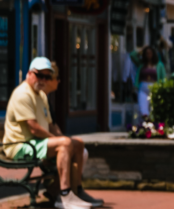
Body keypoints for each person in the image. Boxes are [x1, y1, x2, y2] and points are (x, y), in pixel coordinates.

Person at [3, 58, 103, 209]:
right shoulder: (22, 94)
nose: (43, 80)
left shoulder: (41, 95)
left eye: (47, 77)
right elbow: (34, 129)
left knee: (78, 143)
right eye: (39, 75)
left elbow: (51, 125)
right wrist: (62, 142)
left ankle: (77, 191)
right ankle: (64, 196)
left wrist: (64, 140)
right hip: (19, 146)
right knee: (65, 144)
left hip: (35, 143)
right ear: (29, 73)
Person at [131, 45, 166, 119]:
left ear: (153, 54)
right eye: (146, 53)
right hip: (142, 88)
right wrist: (142, 48)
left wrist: (162, 88)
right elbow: (132, 55)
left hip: (154, 88)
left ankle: (153, 126)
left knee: (153, 110)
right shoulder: (141, 64)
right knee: (143, 110)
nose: (148, 55)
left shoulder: (159, 65)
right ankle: (146, 124)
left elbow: (163, 78)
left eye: (150, 53)